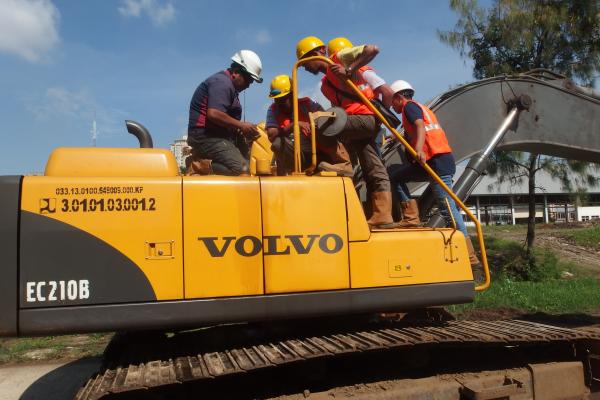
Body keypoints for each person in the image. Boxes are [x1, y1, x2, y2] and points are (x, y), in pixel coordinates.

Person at [296, 36, 396, 229]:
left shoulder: (338, 58)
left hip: (365, 119)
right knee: (372, 167)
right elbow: (339, 111)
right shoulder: (325, 85)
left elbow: (373, 49)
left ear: (317, 53)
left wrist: (348, 70)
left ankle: (344, 164)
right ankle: (383, 215)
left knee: (318, 123)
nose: (305, 68)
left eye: (305, 62)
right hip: (353, 124)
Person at [387, 80, 484, 279]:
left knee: (447, 209)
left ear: (399, 97)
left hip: (436, 161)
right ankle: (411, 218)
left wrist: (418, 150)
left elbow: (420, 127)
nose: (391, 106)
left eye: (392, 102)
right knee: (396, 177)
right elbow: (412, 131)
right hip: (433, 161)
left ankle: (472, 261)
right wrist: (393, 138)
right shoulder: (419, 107)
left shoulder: (410, 107)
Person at [186, 50, 263, 176]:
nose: (249, 85)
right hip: (205, 137)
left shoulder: (230, 88)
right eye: (248, 80)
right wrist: (241, 125)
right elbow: (214, 114)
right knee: (242, 169)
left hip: (218, 137)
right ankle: (198, 166)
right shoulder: (222, 83)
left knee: (251, 166)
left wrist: (243, 130)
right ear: (236, 73)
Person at [266, 75, 351, 175]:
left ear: (292, 95)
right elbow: (271, 135)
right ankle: (288, 175)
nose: (278, 103)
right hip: (295, 158)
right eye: (276, 99)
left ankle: (342, 164)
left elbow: (327, 120)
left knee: (324, 124)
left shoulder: (307, 104)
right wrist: (295, 125)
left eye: (282, 99)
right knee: (278, 143)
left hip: (316, 153)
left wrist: (313, 123)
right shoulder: (273, 110)